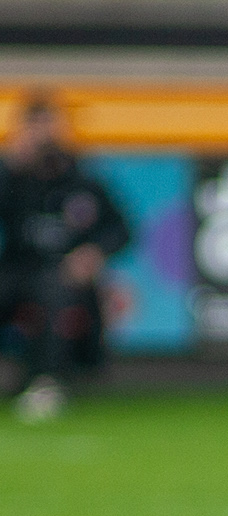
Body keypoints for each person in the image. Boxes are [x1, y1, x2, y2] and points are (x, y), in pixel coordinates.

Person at [0, 93, 130, 423]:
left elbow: (121, 229)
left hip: (64, 272)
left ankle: (45, 381)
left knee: (55, 294)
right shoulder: (13, 176)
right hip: (17, 268)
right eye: (35, 126)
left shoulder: (83, 180)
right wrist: (10, 167)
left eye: (50, 125)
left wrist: (93, 253)